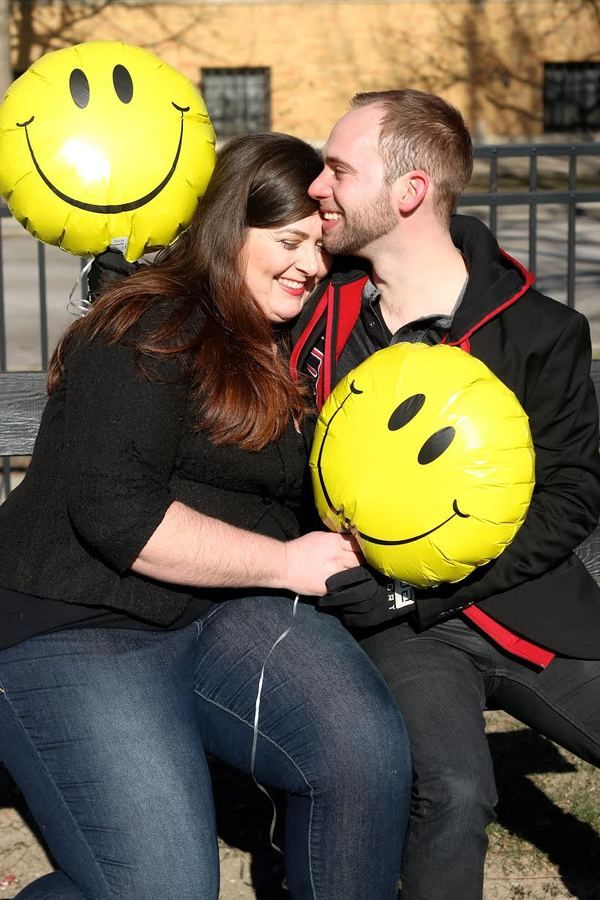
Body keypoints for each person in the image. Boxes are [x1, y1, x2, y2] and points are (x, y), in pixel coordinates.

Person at [0, 132, 411, 900]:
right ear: (228, 227)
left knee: (364, 754)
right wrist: (288, 563)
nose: (309, 265)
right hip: (78, 623)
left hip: (220, 614)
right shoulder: (150, 321)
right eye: (287, 240)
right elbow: (118, 512)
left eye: (320, 247)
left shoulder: (290, 340)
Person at [290, 90, 600, 899]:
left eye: (337, 169)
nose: (316, 187)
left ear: (408, 192)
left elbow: (570, 496)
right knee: (455, 793)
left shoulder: (542, 330)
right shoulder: (318, 314)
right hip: (401, 638)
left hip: (528, 604)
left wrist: (420, 590)